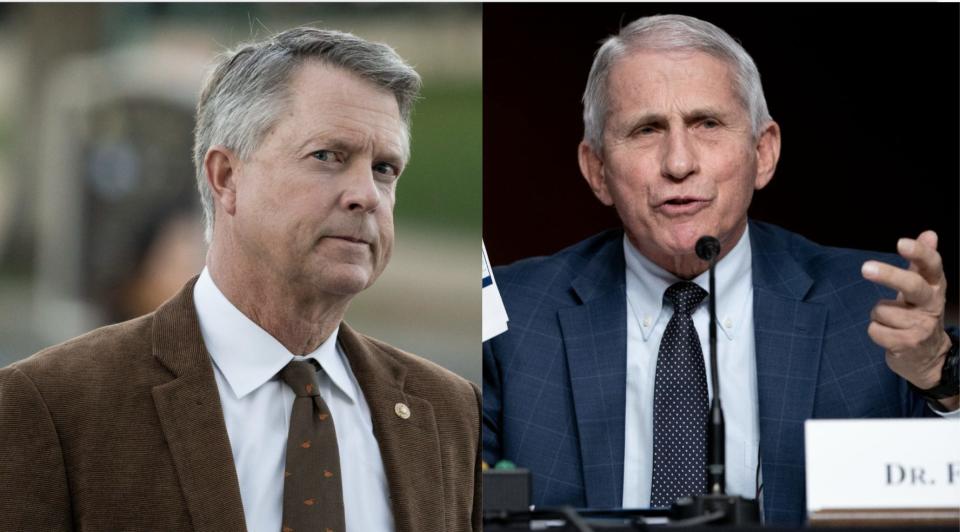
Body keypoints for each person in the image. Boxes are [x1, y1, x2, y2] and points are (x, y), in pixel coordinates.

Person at [482, 14, 958, 525]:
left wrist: (939, 378)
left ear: (763, 152)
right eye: (646, 130)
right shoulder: (508, 317)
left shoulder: (871, 311)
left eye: (706, 124)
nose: (679, 162)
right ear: (597, 170)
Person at [0, 27, 480, 532]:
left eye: (384, 168)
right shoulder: (52, 406)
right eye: (328, 156)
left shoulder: (452, 412)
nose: (367, 194)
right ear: (226, 177)